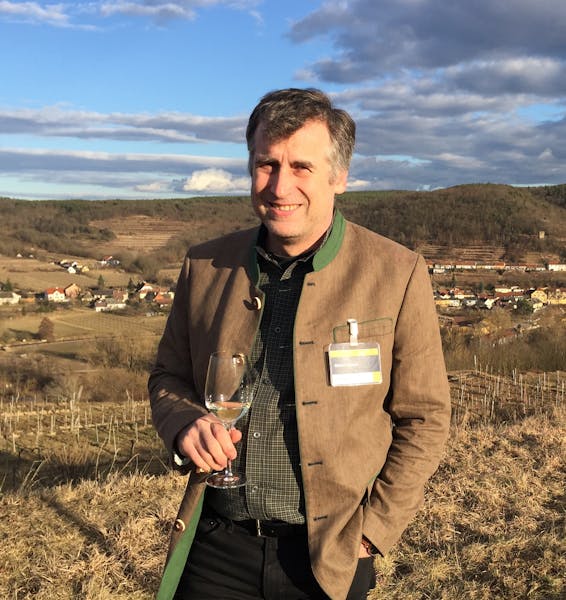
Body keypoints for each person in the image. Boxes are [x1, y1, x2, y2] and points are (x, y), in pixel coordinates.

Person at [148, 88, 451, 600]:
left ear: (339, 177)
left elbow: (425, 417)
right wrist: (184, 424)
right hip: (216, 547)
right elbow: (167, 378)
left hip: (328, 557)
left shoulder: (397, 273)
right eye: (267, 164)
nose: (280, 185)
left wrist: (374, 530)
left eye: (302, 167)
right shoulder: (204, 266)